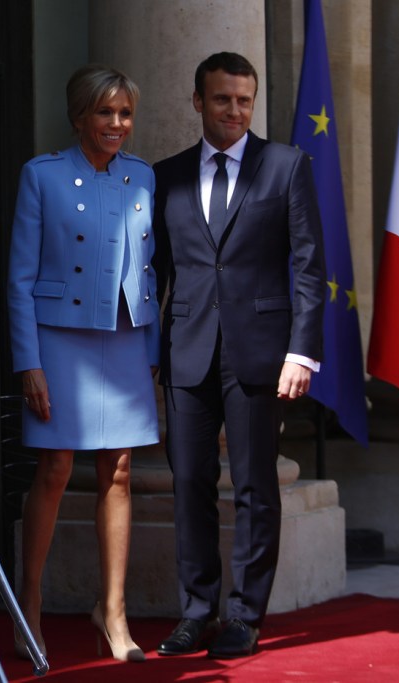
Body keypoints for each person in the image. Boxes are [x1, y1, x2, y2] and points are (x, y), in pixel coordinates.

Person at [151, 52, 325, 659]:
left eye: (244, 100)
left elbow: (308, 266)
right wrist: (148, 352)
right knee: (190, 482)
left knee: (255, 486)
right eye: (223, 99)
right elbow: (156, 272)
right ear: (198, 101)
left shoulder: (285, 166)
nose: (235, 111)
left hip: (260, 354)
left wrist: (302, 352)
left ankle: (245, 614)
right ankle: (196, 611)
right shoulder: (166, 174)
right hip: (187, 351)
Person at [6, 64, 159, 663]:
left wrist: (150, 356)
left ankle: (113, 612)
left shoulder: (142, 178)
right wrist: (28, 362)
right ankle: (30, 603)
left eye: (124, 113)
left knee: (119, 471)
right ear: (79, 117)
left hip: (122, 339)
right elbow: (19, 279)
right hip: (59, 341)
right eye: (105, 113)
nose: (117, 124)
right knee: (55, 468)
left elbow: (150, 274)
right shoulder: (42, 176)